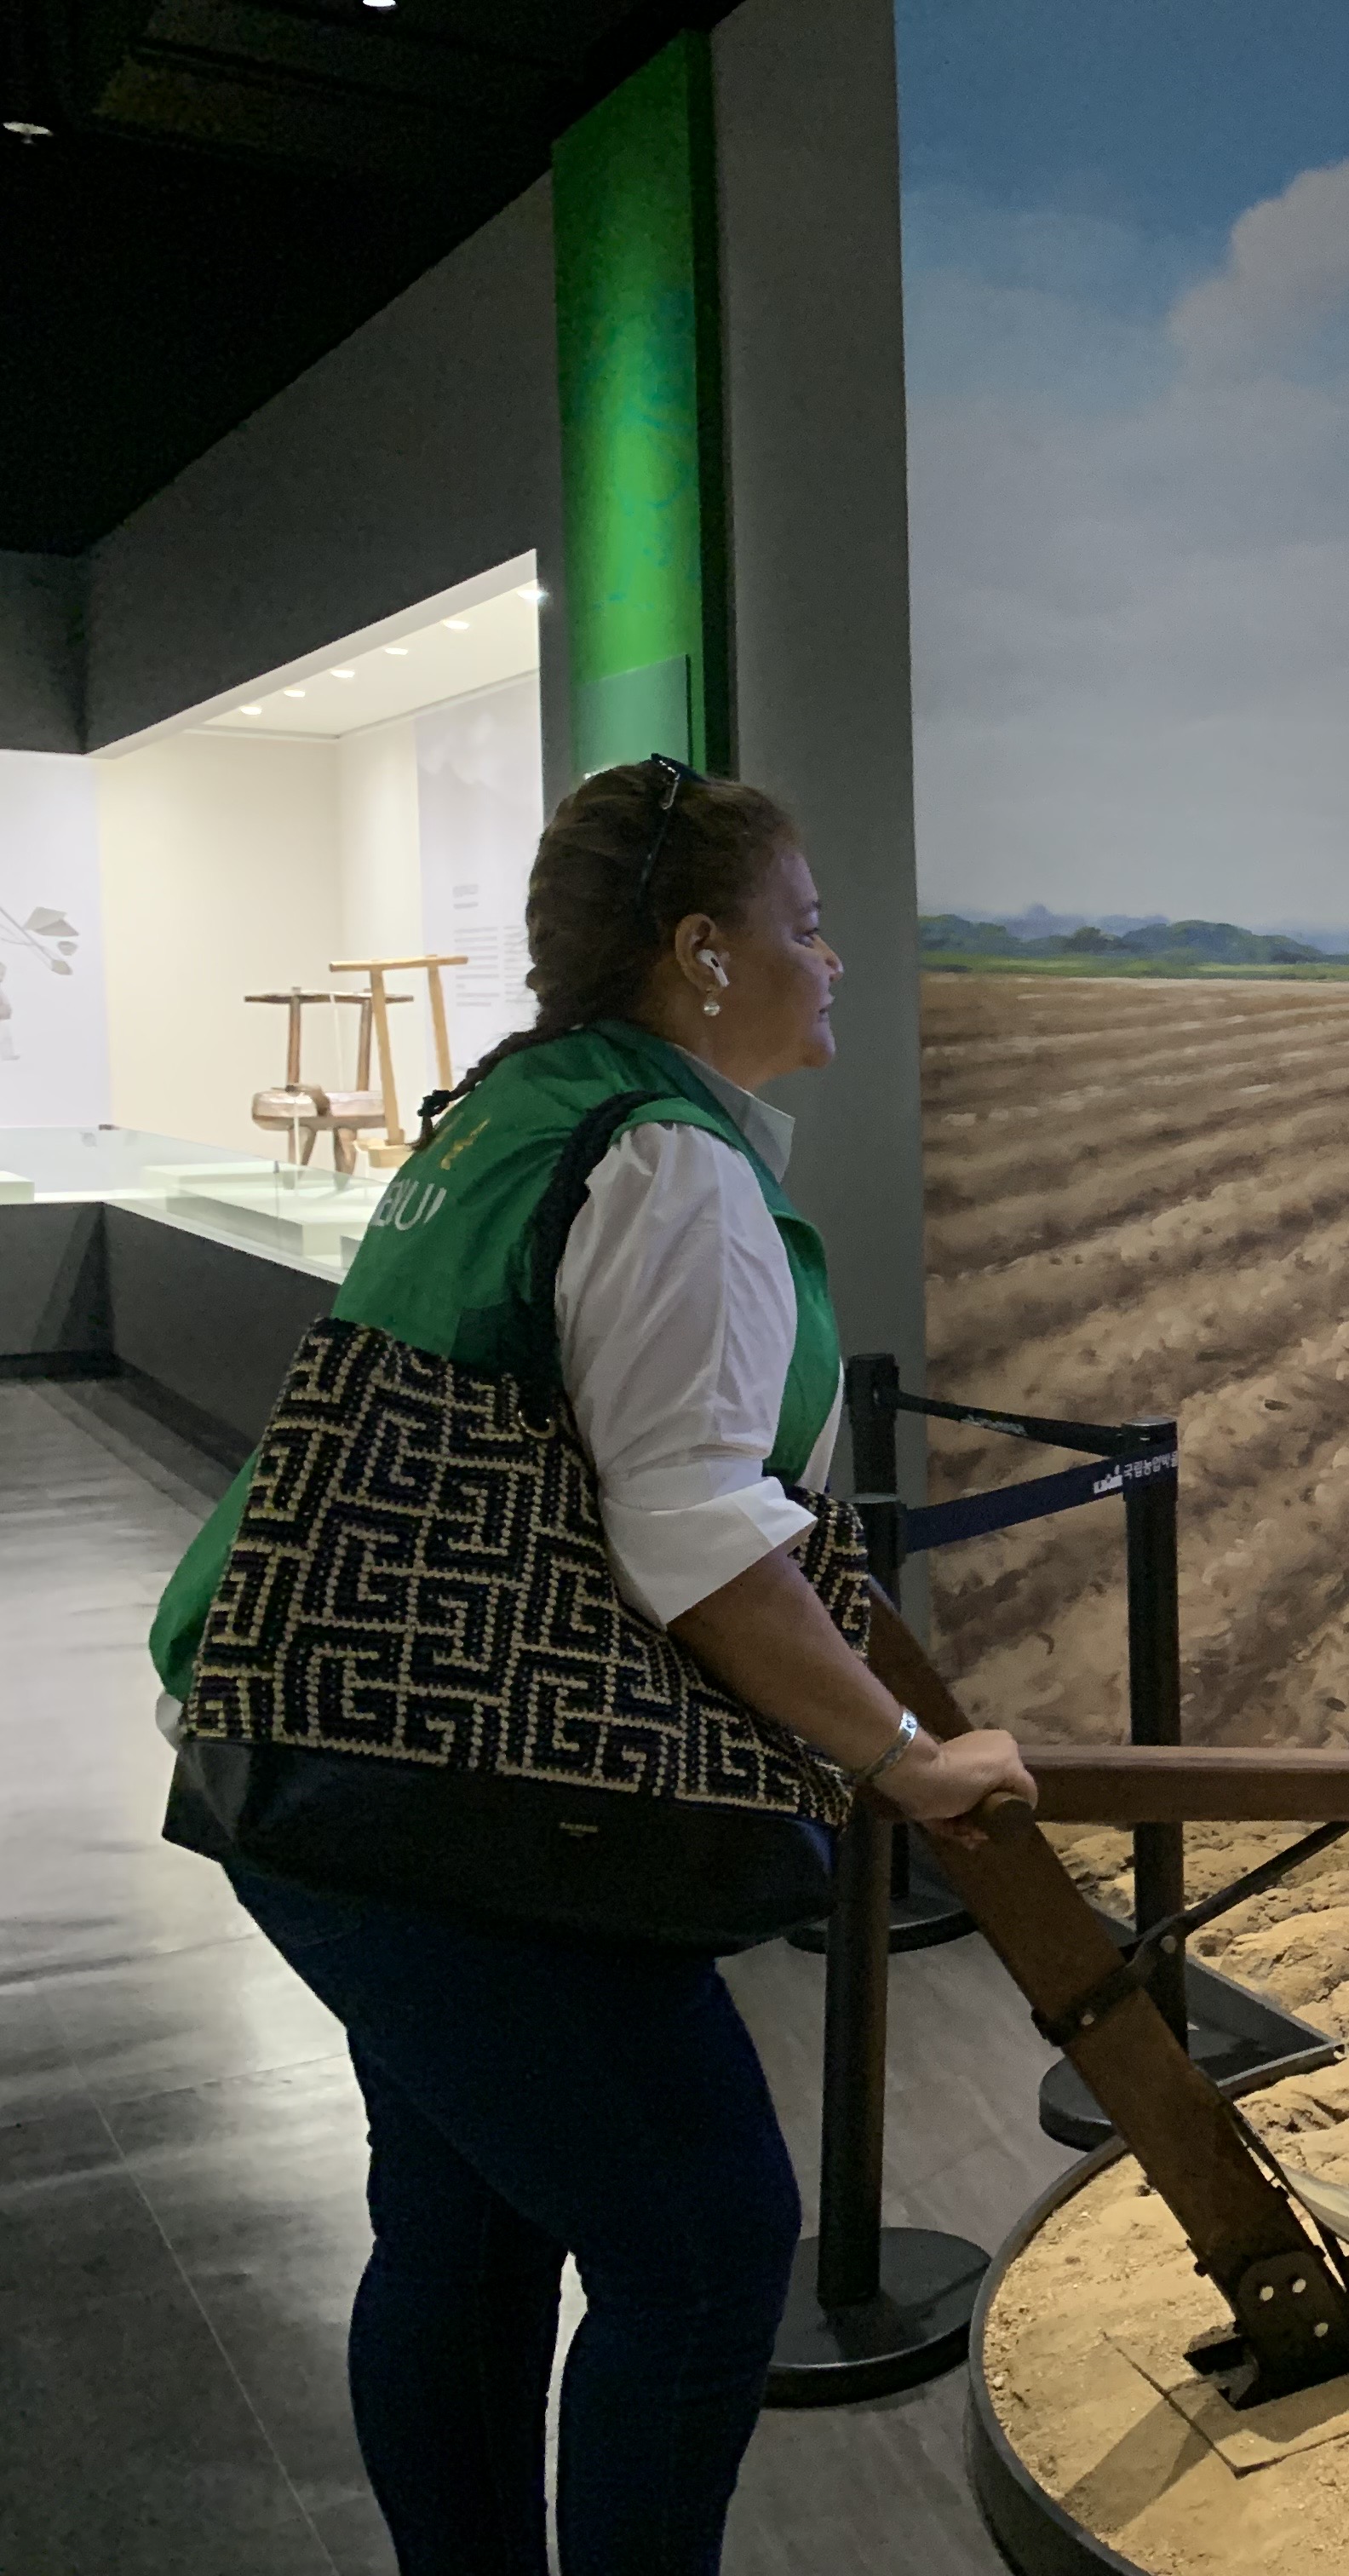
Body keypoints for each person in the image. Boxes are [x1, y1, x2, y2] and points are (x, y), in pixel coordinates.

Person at [152, 756, 1033, 2575]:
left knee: (465, 2229)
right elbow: (695, 1532)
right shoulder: (668, 1161)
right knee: (705, 2256)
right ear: (701, 951)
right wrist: (906, 1756)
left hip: (317, 1754)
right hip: (461, 1805)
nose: (834, 957)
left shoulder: (512, 1106)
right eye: (804, 924)